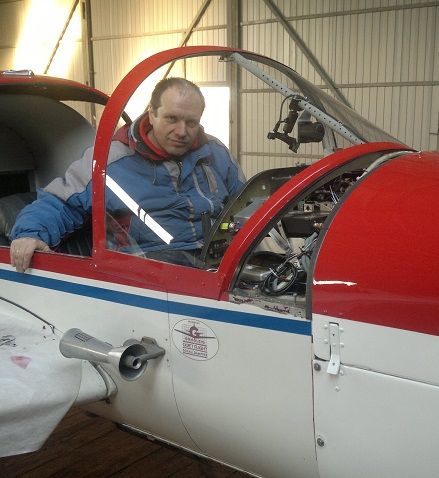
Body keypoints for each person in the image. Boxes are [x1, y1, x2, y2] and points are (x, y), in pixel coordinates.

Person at [10, 77, 245, 272]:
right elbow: (61, 202)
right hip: (147, 268)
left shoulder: (215, 152)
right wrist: (30, 234)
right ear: (152, 114)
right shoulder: (109, 160)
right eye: (172, 119)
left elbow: (244, 202)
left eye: (191, 122)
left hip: (218, 261)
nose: (182, 131)